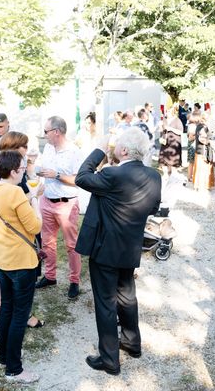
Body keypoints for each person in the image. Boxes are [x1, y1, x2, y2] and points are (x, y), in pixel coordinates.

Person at [75, 128, 161, 375]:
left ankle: (110, 359)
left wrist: (100, 149)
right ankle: (132, 343)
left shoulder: (112, 174)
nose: (114, 149)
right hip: (130, 245)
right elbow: (154, 207)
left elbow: (82, 177)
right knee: (127, 295)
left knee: (105, 302)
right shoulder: (154, 176)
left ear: (123, 150)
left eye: (115, 146)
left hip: (105, 249)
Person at [0, 150, 42, 384]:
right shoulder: (16, 192)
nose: (25, 171)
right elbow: (36, 226)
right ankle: (14, 369)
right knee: (19, 314)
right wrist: (34, 197)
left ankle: (4, 357)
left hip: (2, 260)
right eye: (23, 168)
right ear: (14, 171)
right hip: (22, 262)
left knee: (6, 308)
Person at [0, 131, 44, 328]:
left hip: (9, 232)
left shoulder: (15, 168)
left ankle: (4, 306)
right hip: (19, 230)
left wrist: (30, 169)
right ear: (15, 147)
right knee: (19, 276)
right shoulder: (9, 173)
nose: (27, 149)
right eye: (24, 146)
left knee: (4, 272)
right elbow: (14, 203)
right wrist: (34, 196)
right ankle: (23, 314)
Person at [35, 116, 84, 299]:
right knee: (48, 242)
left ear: (56, 132)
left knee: (72, 245)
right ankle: (50, 276)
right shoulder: (48, 147)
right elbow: (44, 170)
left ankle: (74, 281)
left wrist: (57, 175)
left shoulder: (74, 152)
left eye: (46, 131)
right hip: (47, 201)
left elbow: (79, 180)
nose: (44, 135)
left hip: (66, 203)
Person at [193, 113, 215, 191]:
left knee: (199, 169)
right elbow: (202, 139)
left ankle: (198, 185)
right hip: (203, 152)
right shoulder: (203, 127)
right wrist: (210, 142)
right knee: (204, 169)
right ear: (206, 119)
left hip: (199, 150)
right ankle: (203, 186)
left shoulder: (199, 126)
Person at [158, 110, 183, 177]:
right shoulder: (164, 120)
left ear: (173, 112)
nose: (166, 113)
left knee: (173, 161)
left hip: (174, 144)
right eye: (166, 112)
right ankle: (166, 175)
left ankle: (173, 176)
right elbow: (161, 131)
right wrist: (160, 126)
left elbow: (180, 132)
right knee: (163, 159)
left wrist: (170, 129)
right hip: (165, 143)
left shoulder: (177, 120)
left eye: (168, 112)